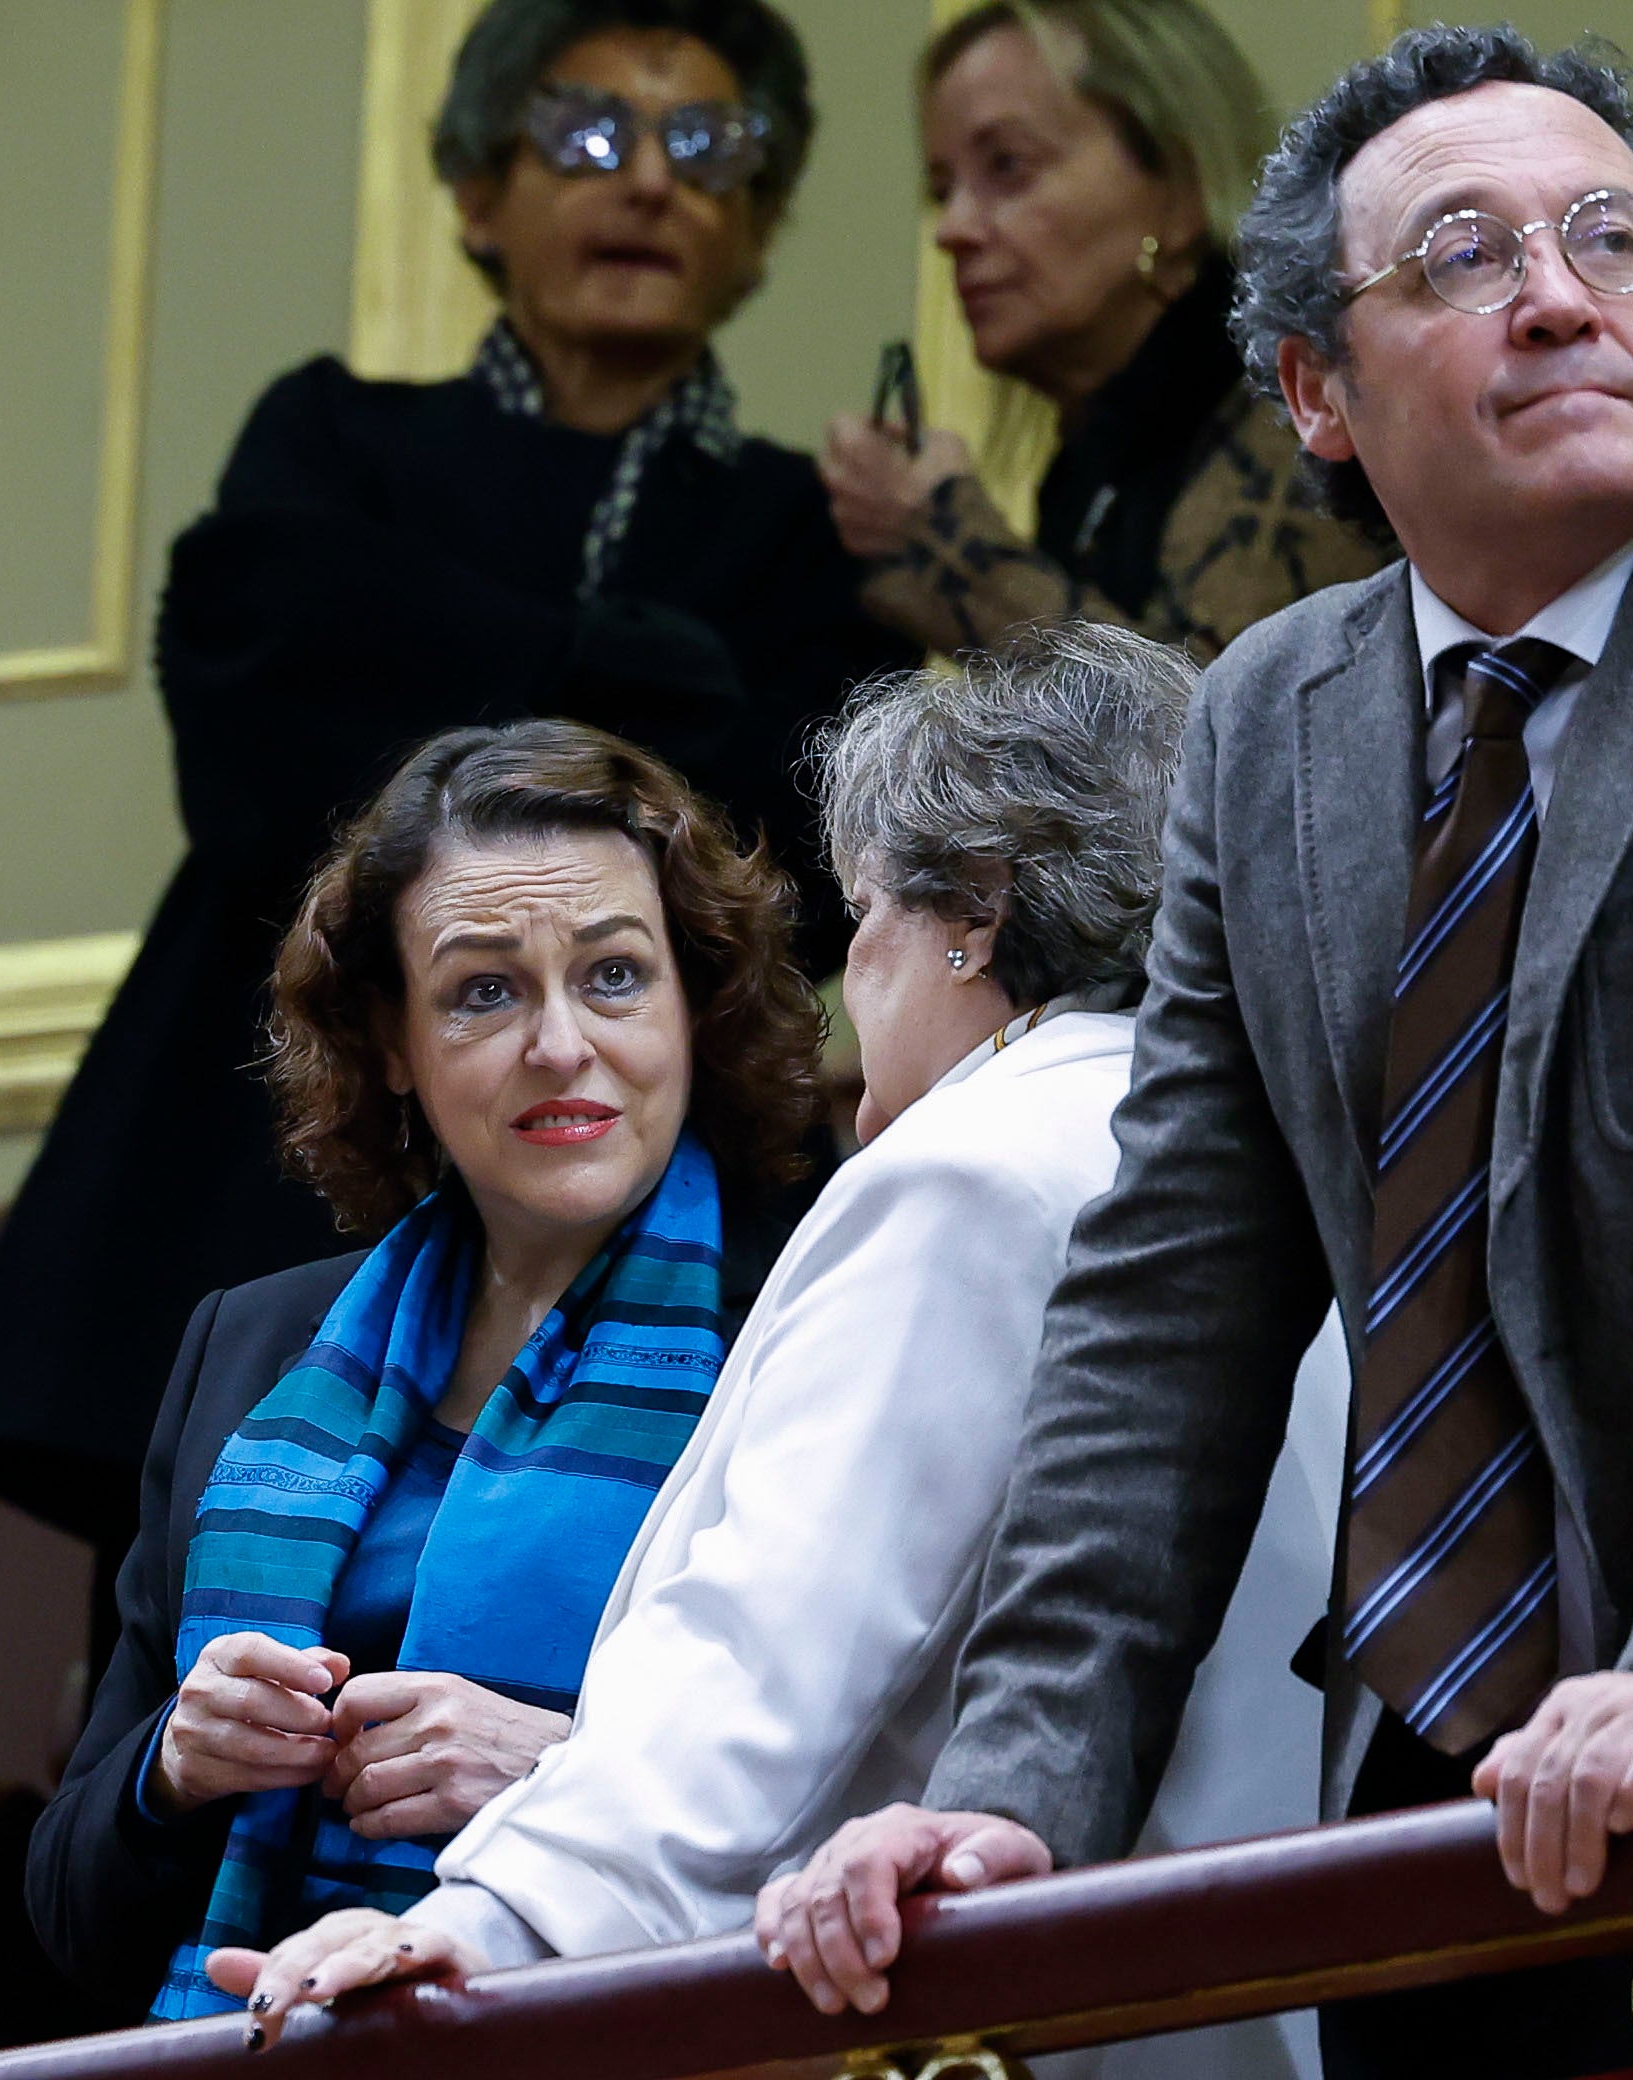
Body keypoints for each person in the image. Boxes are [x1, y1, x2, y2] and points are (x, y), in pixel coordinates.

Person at [757, 27, 1633, 2080]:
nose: (1561, 290)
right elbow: (1166, 1307)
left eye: (1614, 237)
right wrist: (1018, 1787)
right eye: (1462, 253)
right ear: (1317, 393)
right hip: (1445, 1808)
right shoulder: (1268, 719)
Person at [212, 625, 1351, 2080]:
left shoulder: (977, 1170)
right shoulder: (1250, 1140)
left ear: (974, 917)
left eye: (864, 916)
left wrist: (496, 1920)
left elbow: (769, 1640)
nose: (847, 982)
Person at [0, 0, 913, 1623]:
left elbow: (779, 863)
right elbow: (257, 765)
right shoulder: (335, 436)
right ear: (473, 193)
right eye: (588, 135)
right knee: (198, 1705)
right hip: (256, 1170)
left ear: (762, 226)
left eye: (708, 148)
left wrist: (425, 652)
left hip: (630, 1215)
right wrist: (612, 674)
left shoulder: (807, 530)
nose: (648, 182)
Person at [23, 721, 825, 2024]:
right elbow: (70, 1917)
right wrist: (171, 1767)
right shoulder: (247, 1352)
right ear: (392, 1041)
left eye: (615, 976)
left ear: (696, 1006)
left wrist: (566, 1777)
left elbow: (914, 1821)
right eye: (484, 992)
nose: (561, 1044)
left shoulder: (807, 1329)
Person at [821, 0, 1386, 663]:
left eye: (1007, 166)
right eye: (942, 189)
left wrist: (948, 543)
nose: (952, 229)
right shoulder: (1099, 453)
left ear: (1180, 190)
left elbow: (1205, 740)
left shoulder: (1299, 407)